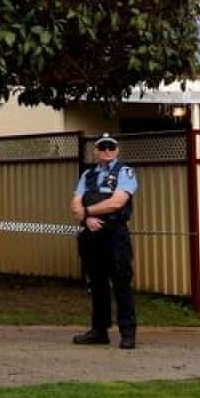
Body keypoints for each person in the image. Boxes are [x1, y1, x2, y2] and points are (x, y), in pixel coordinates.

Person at [70, 133, 139, 350]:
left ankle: (127, 333)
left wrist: (87, 211)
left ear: (117, 150)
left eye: (111, 147)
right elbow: (75, 202)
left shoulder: (125, 172)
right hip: (92, 237)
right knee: (97, 285)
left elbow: (116, 203)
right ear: (96, 151)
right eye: (102, 147)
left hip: (114, 236)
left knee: (121, 284)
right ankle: (99, 331)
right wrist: (86, 218)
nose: (107, 151)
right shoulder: (88, 174)